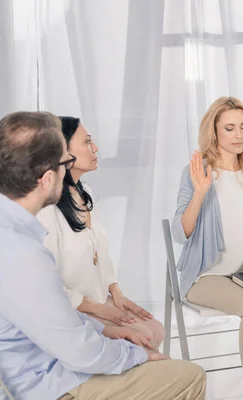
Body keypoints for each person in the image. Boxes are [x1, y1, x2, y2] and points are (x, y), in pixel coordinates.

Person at [0, 112, 206, 400]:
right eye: (64, 163)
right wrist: (134, 355)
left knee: (145, 342)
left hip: (36, 360)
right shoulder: (24, 255)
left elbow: (53, 318)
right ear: (46, 179)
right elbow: (79, 352)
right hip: (49, 383)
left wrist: (108, 329)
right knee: (188, 376)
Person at [172, 96, 243, 399]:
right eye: (229, 128)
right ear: (214, 132)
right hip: (204, 276)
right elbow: (180, 233)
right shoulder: (197, 172)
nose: (238, 135)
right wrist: (200, 192)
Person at [36, 116, 165, 351]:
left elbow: (99, 251)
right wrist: (95, 308)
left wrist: (115, 292)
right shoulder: (46, 209)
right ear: (63, 153)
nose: (95, 148)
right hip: (69, 309)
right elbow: (43, 283)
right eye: (86, 142)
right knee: (144, 336)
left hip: (95, 298)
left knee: (156, 329)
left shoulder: (86, 194)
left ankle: (139, 382)